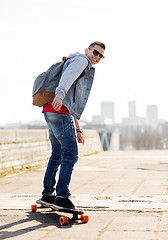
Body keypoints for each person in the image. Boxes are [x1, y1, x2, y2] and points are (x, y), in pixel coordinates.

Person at [41, 41, 106, 209]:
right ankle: (62, 196)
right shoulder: (82, 61)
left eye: (101, 56)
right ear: (87, 50)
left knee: (57, 154)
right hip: (59, 110)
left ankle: (48, 195)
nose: (97, 57)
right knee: (70, 155)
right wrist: (59, 95)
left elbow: (72, 102)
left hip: (52, 111)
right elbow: (67, 79)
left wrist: (77, 128)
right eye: (95, 52)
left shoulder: (75, 60)